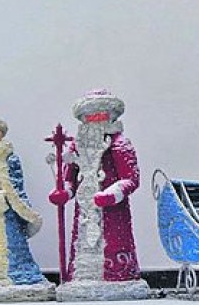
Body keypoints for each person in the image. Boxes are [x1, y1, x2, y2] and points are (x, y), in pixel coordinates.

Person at [48, 89, 142, 283]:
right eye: (89, 116)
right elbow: (70, 178)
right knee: (83, 244)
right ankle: (81, 275)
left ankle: (117, 275)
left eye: (99, 115)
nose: (94, 120)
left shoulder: (120, 144)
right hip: (84, 209)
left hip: (112, 213)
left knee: (112, 242)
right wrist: (64, 193)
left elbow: (131, 178)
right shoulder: (77, 147)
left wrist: (112, 193)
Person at [0, 118, 49, 289]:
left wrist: (16, 201)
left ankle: (15, 273)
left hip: (8, 205)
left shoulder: (11, 158)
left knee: (12, 237)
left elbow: (17, 182)